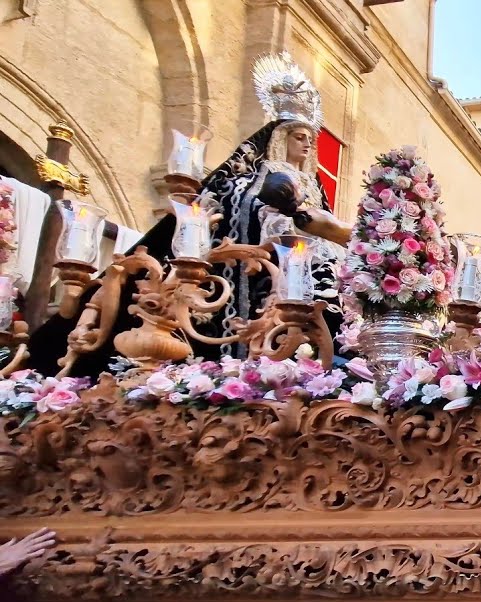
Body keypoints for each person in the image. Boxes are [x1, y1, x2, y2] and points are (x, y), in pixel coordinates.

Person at [27, 52, 351, 377]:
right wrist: (277, 209)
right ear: (280, 139)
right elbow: (230, 201)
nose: (307, 145)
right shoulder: (253, 178)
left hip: (306, 279)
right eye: (299, 137)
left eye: (311, 140)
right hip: (260, 273)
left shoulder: (314, 187)